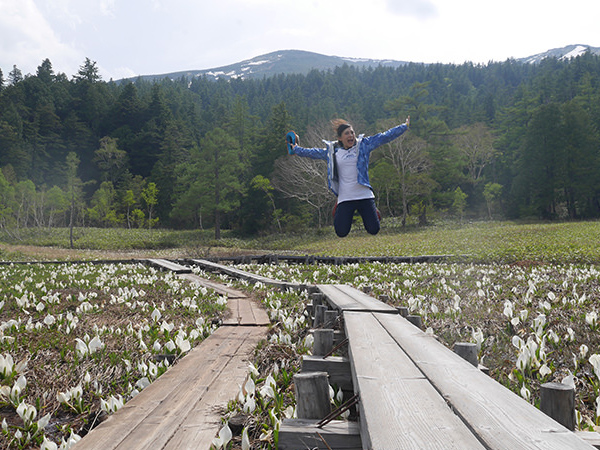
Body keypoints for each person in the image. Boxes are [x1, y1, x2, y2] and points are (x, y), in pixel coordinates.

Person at [288, 117, 410, 237]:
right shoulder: (333, 152)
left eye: (352, 132)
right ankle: (338, 207)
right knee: (341, 232)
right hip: (345, 197)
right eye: (347, 133)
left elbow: (384, 137)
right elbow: (313, 153)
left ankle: (374, 211)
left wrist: (403, 127)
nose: (351, 135)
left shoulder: (363, 145)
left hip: (364, 195)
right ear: (340, 138)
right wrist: (296, 149)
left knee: (374, 229)